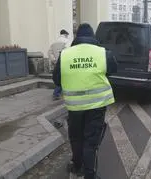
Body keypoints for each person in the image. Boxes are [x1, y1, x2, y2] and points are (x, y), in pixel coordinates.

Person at [52, 23, 117, 179]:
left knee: (76, 138)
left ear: (77, 37)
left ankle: (77, 164)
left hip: (74, 107)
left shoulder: (66, 54)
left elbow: (56, 80)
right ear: (92, 37)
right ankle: (89, 175)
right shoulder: (103, 53)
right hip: (96, 106)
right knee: (91, 141)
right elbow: (114, 69)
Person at [48, 29, 70, 100]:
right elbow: (68, 51)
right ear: (66, 35)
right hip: (64, 62)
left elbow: (49, 52)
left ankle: (58, 93)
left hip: (56, 62)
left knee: (59, 77)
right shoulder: (67, 41)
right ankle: (56, 93)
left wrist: (54, 60)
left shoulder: (54, 42)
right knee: (64, 78)